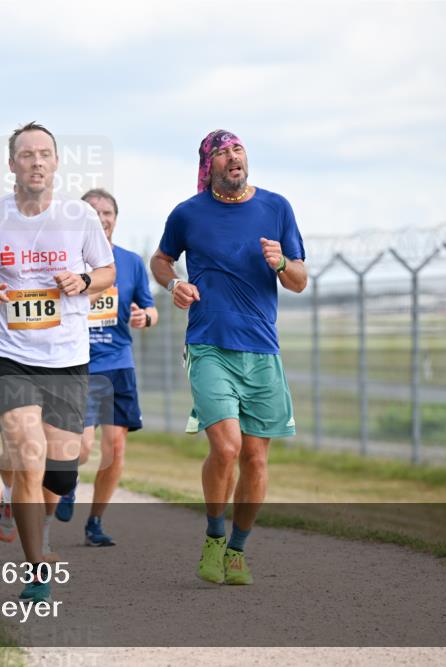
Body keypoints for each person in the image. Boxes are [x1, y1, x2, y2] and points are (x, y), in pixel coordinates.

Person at [0, 122, 115, 603]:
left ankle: (9, 495)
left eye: (45, 154)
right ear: (12, 164)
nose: (36, 162)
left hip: (67, 358)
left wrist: (84, 280)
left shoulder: (80, 217)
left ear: (57, 162)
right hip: (11, 356)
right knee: (28, 457)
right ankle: (37, 564)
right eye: (26, 155)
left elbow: (107, 272)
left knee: (61, 472)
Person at [150, 129, 307, 586]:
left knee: (256, 459)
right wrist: (174, 283)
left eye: (237, 150)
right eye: (221, 153)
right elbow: (161, 260)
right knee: (227, 447)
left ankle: (237, 549)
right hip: (208, 344)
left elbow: (298, 280)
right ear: (208, 167)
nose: (232, 158)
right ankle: (214, 535)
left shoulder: (276, 208)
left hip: (261, 349)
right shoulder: (188, 214)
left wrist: (281, 263)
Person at [43, 188, 159, 548]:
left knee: (116, 449)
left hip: (118, 363)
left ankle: (95, 521)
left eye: (107, 212)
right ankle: (68, 485)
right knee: (81, 447)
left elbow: (152, 308)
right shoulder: (64, 260)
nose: (101, 217)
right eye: (93, 211)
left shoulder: (130, 262)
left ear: (115, 219)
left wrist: (145, 317)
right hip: (79, 364)